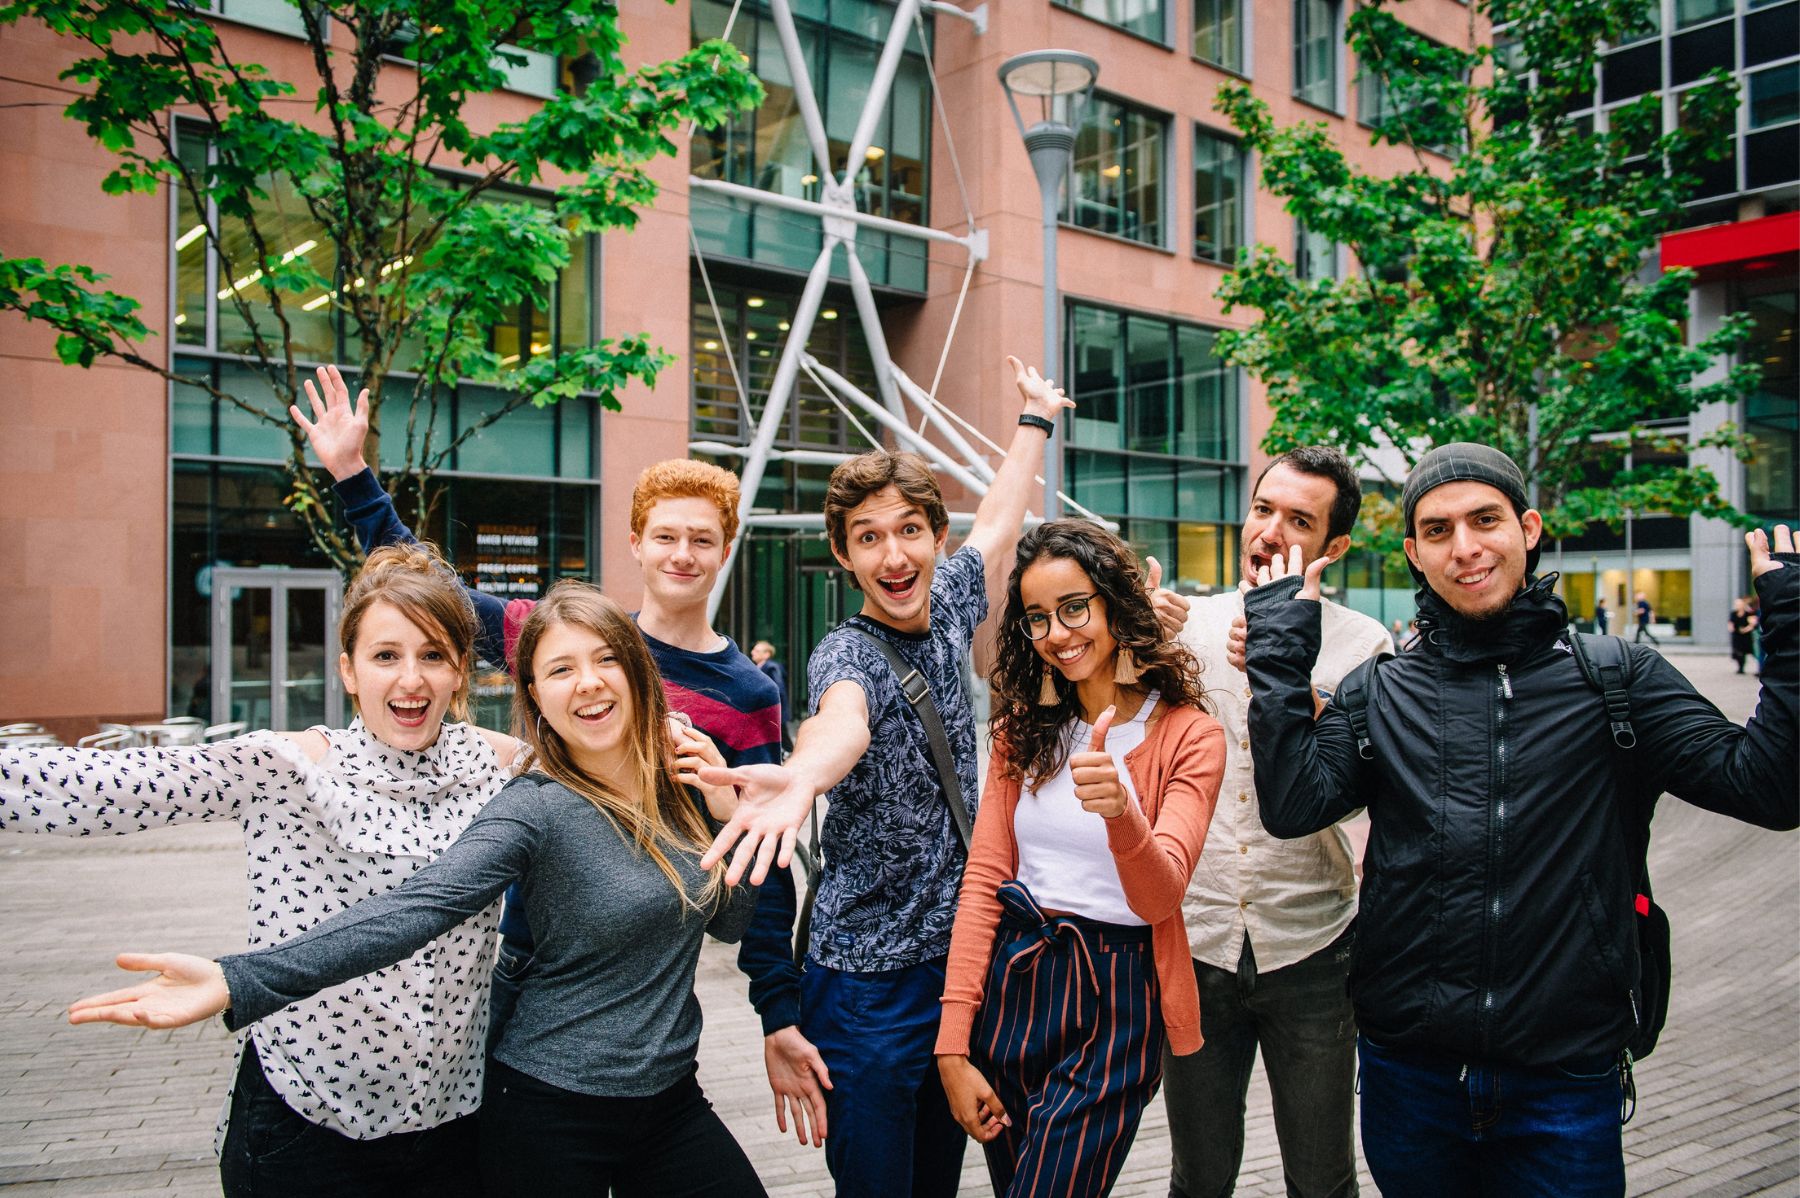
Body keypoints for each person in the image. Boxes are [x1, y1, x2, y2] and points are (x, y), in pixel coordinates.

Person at [67, 583, 766, 1197]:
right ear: (535, 697)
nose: (587, 683)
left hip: (671, 1097)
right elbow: (417, 910)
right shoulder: (534, 806)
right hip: (553, 1105)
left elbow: (730, 923)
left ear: (638, 671)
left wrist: (728, 814)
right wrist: (238, 979)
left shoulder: (680, 780)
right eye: (560, 669)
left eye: (605, 659)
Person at [1241, 442, 1798, 1198]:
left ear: (1528, 528)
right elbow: (1294, 804)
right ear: (1414, 552)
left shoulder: (1617, 678)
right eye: (1438, 531)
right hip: (1411, 1074)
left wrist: (1791, 637)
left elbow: (1770, 789)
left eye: (1485, 520)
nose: (1465, 548)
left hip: (1566, 1080)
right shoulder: (1381, 691)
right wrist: (1277, 656)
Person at [292, 366, 797, 1112]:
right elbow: (442, 600)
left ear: (726, 549)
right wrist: (352, 474)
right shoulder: (573, 637)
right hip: (528, 967)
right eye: (665, 536)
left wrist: (778, 1012)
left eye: (701, 539)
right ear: (635, 542)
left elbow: (767, 852)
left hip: (648, 995)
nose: (681, 554)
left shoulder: (748, 695)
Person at [1, 544, 519, 1196]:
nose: (410, 678)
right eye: (386, 655)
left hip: (452, 1130)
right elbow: (85, 786)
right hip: (304, 1130)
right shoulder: (285, 768)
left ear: (460, 671)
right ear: (349, 671)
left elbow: (616, 774)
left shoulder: (501, 769)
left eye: (432, 655)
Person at [702, 356, 1077, 1197]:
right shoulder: (845, 654)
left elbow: (1000, 518)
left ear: (934, 539)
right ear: (845, 555)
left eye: (909, 529)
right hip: (865, 987)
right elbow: (841, 722)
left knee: (938, 1178)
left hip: (957, 973)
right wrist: (800, 781)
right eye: (869, 537)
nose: (893, 552)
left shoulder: (948, 596)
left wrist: (1034, 420)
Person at [935, 520, 1225, 1196]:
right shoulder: (1021, 732)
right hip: (1015, 979)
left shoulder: (1191, 735)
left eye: (1074, 607)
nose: (1058, 634)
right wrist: (953, 1044)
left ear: (1114, 603)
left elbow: (1161, 897)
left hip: (1114, 998)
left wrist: (1122, 814)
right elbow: (983, 882)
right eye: (1038, 618)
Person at [1161, 447, 1392, 1198]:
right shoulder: (1186, 627)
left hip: (1313, 947)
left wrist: (1298, 683)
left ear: (1335, 546)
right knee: (1198, 1177)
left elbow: (1366, 796)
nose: (1270, 530)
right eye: (1264, 509)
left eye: (1299, 520)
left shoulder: (1365, 647)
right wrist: (1131, 642)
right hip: (1196, 941)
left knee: (1323, 1179)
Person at [751, 640, 793, 746]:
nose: (752, 652)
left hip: (774, 710)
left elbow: (778, 689)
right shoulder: (760, 667)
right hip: (768, 710)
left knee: (782, 736)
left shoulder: (771, 667)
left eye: (757, 650)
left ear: (767, 654)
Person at [1729, 597, 1756, 674]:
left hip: (1746, 636)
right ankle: (1740, 667)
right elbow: (1730, 622)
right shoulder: (1733, 613)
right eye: (1736, 604)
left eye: (1739, 604)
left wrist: (1745, 629)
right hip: (1737, 635)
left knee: (1747, 651)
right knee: (1738, 652)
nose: (1737, 605)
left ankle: (1756, 667)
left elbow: (1752, 623)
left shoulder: (1748, 613)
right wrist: (1731, 628)